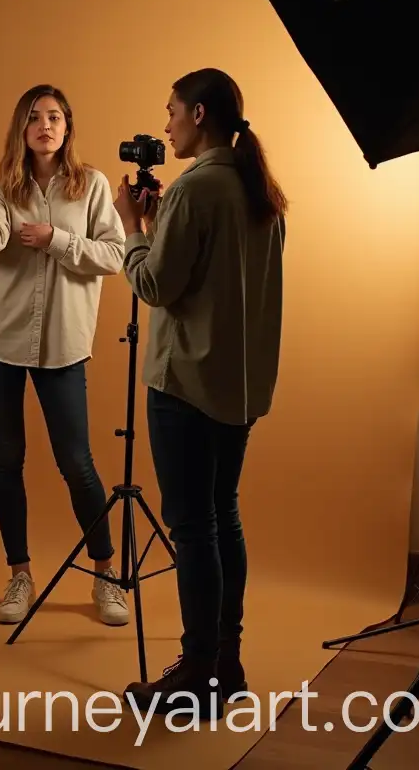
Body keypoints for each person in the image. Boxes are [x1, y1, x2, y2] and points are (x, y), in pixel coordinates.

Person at [112, 68, 286, 719]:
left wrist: (133, 227)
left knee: (192, 528)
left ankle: (196, 673)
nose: (165, 126)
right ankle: (225, 662)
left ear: (201, 113)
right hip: (237, 387)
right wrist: (162, 228)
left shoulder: (196, 189)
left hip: (185, 385)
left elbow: (156, 287)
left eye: (172, 112)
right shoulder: (255, 189)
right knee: (221, 516)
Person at [0, 85, 130, 628]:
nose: (45, 125)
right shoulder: (0, 188)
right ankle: (19, 574)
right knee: (6, 460)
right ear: (21, 129)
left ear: (67, 127)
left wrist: (56, 239)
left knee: (77, 462)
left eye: (54, 117)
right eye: (34, 118)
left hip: (63, 344)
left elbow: (114, 256)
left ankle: (106, 575)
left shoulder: (91, 186)